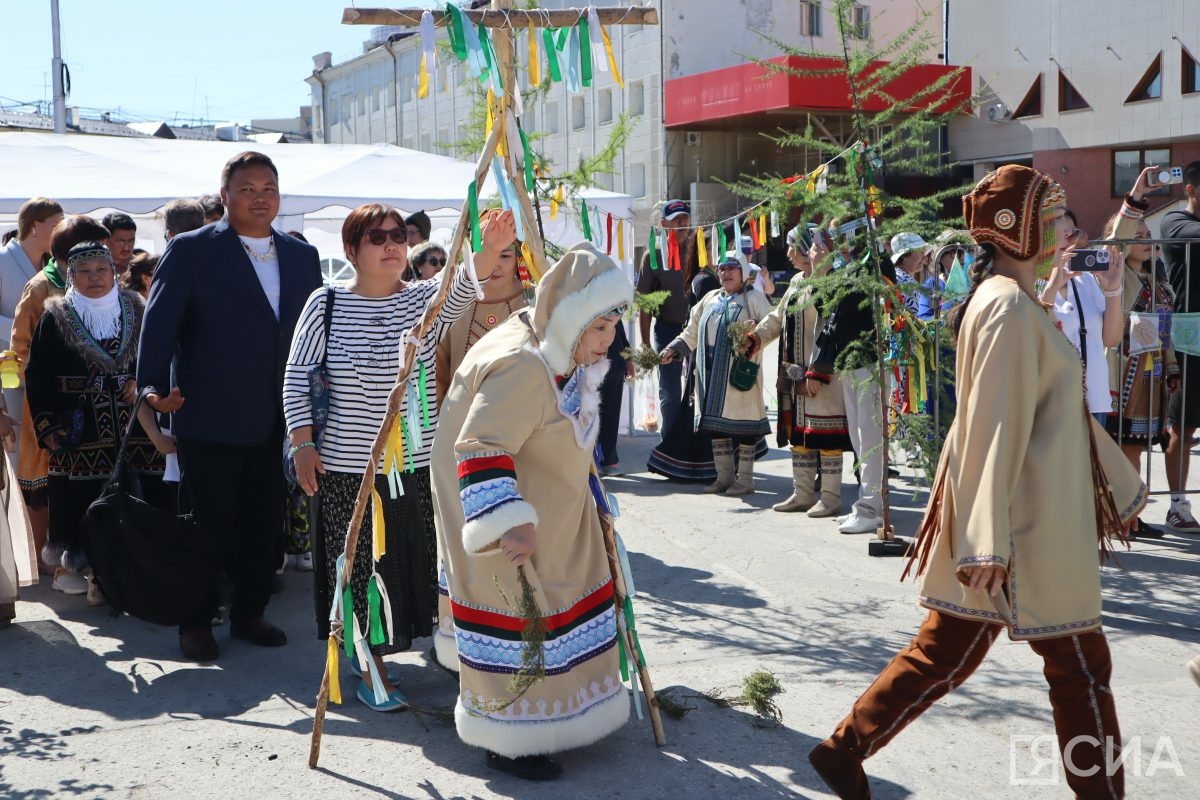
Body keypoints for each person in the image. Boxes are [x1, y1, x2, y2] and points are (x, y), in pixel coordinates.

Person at [807, 165, 1145, 800]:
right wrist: (986, 542)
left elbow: (1045, 415)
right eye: (1047, 219)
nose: (1058, 229)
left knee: (947, 654)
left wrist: (1107, 491)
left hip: (1024, 515)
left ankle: (843, 750)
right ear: (1013, 229)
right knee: (1080, 668)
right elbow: (992, 424)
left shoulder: (1013, 301)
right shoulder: (1006, 308)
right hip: (1023, 525)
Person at [431, 241, 633, 781]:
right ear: (571, 318)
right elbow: (479, 444)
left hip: (547, 487)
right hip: (502, 502)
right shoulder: (523, 364)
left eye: (613, 328)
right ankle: (512, 733)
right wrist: (509, 520)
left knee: (566, 588)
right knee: (519, 600)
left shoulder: (559, 342)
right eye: (599, 328)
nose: (608, 341)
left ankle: (568, 707)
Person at [285, 204, 496, 710]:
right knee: (356, 568)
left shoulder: (426, 300)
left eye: (398, 236)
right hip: (346, 470)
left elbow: (468, 277)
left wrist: (490, 242)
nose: (390, 245)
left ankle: (396, 651)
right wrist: (303, 444)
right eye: (376, 237)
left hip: (412, 468)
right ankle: (369, 666)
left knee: (407, 563)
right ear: (351, 249)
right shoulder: (325, 303)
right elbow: (298, 375)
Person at [138, 151, 322, 662]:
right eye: (247, 188)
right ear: (225, 195)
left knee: (264, 524)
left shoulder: (301, 255)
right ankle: (194, 621)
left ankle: (249, 612)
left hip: (278, 415)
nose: (259, 197)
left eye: (268, 188)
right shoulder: (193, 250)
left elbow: (312, 335)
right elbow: (160, 323)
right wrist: (151, 387)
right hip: (209, 412)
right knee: (206, 524)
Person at [25, 242, 172, 605]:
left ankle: (136, 570)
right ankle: (86, 570)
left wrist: (144, 385)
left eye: (101, 269)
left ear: (113, 272)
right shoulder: (55, 316)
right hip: (80, 428)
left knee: (143, 496)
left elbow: (156, 359)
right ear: (71, 276)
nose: (95, 277)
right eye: (85, 271)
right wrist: (48, 425)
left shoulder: (138, 309)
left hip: (137, 427)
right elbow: (38, 375)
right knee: (81, 499)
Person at [12, 215, 110, 586]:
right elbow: (21, 350)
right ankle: (49, 565)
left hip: (101, 414)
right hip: (52, 405)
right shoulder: (40, 289)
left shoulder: (111, 291)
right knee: (46, 489)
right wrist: (51, 405)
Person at [753, 227, 850, 516]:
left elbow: (832, 329)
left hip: (823, 376)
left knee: (826, 436)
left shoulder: (831, 281)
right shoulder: (796, 281)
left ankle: (830, 498)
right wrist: (755, 338)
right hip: (795, 374)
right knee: (800, 435)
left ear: (808, 248)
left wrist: (818, 372)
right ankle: (803, 493)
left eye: (791, 246)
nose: (787, 253)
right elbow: (777, 317)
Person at [1101, 191, 1181, 539]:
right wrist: (1135, 199)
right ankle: (1122, 515)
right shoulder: (1119, 275)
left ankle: (1130, 514)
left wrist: (1172, 367)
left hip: (1151, 377)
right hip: (1122, 375)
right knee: (1123, 448)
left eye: (1149, 237)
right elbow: (1117, 237)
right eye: (1139, 236)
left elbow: (1166, 332)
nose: (1146, 241)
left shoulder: (1156, 281)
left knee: (1135, 447)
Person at [660, 255, 773, 496]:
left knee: (745, 425)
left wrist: (753, 335)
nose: (726, 273)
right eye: (722, 269)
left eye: (732, 268)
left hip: (739, 373)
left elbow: (772, 325)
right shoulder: (710, 299)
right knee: (716, 427)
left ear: (742, 271)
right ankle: (724, 477)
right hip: (710, 372)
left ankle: (746, 480)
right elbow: (691, 331)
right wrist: (674, 349)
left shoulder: (753, 297)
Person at [810, 224, 893, 534]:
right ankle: (868, 503)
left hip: (870, 362)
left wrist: (827, 267)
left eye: (835, 237)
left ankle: (872, 506)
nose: (831, 243)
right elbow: (827, 307)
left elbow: (856, 300)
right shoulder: (848, 267)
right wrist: (824, 270)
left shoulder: (873, 264)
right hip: (850, 362)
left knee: (870, 437)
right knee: (860, 438)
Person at [1039, 211, 1124, 427]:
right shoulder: (1030, 281)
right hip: (1052, 398)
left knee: (1092, 461)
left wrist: (1113, 291)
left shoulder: (1086, 280)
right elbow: (1033, 331)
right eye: (1066, 236)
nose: (1072, 243)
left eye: (1074, 234)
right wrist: (1053, 286)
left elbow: (1111, 339)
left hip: (1094, 395)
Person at [434, 218, 528, 405]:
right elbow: (438, 368)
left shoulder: (533, 300)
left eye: (505, 255)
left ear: (518, 258)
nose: (495, 264)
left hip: (520, 413)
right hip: (460, 413)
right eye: (486, 253)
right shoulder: (452, 303)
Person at [1161, 160, 1200, 533]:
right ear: (1190, 190)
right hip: (1190, 340)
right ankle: (1177, 505)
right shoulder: (1175, 223)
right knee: (1183, 427)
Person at [637, 200, 693, 436]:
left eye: (685, 219)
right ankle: (670, 444)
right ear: (663, 224)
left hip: (696, 330)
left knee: (695, 389)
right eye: (676, 219)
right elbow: (645, 305)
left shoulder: (699, 249)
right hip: (667, 331)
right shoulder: (653, 256)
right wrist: (647, 345)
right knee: (670, 390)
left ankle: (692, 443)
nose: (682, 224)